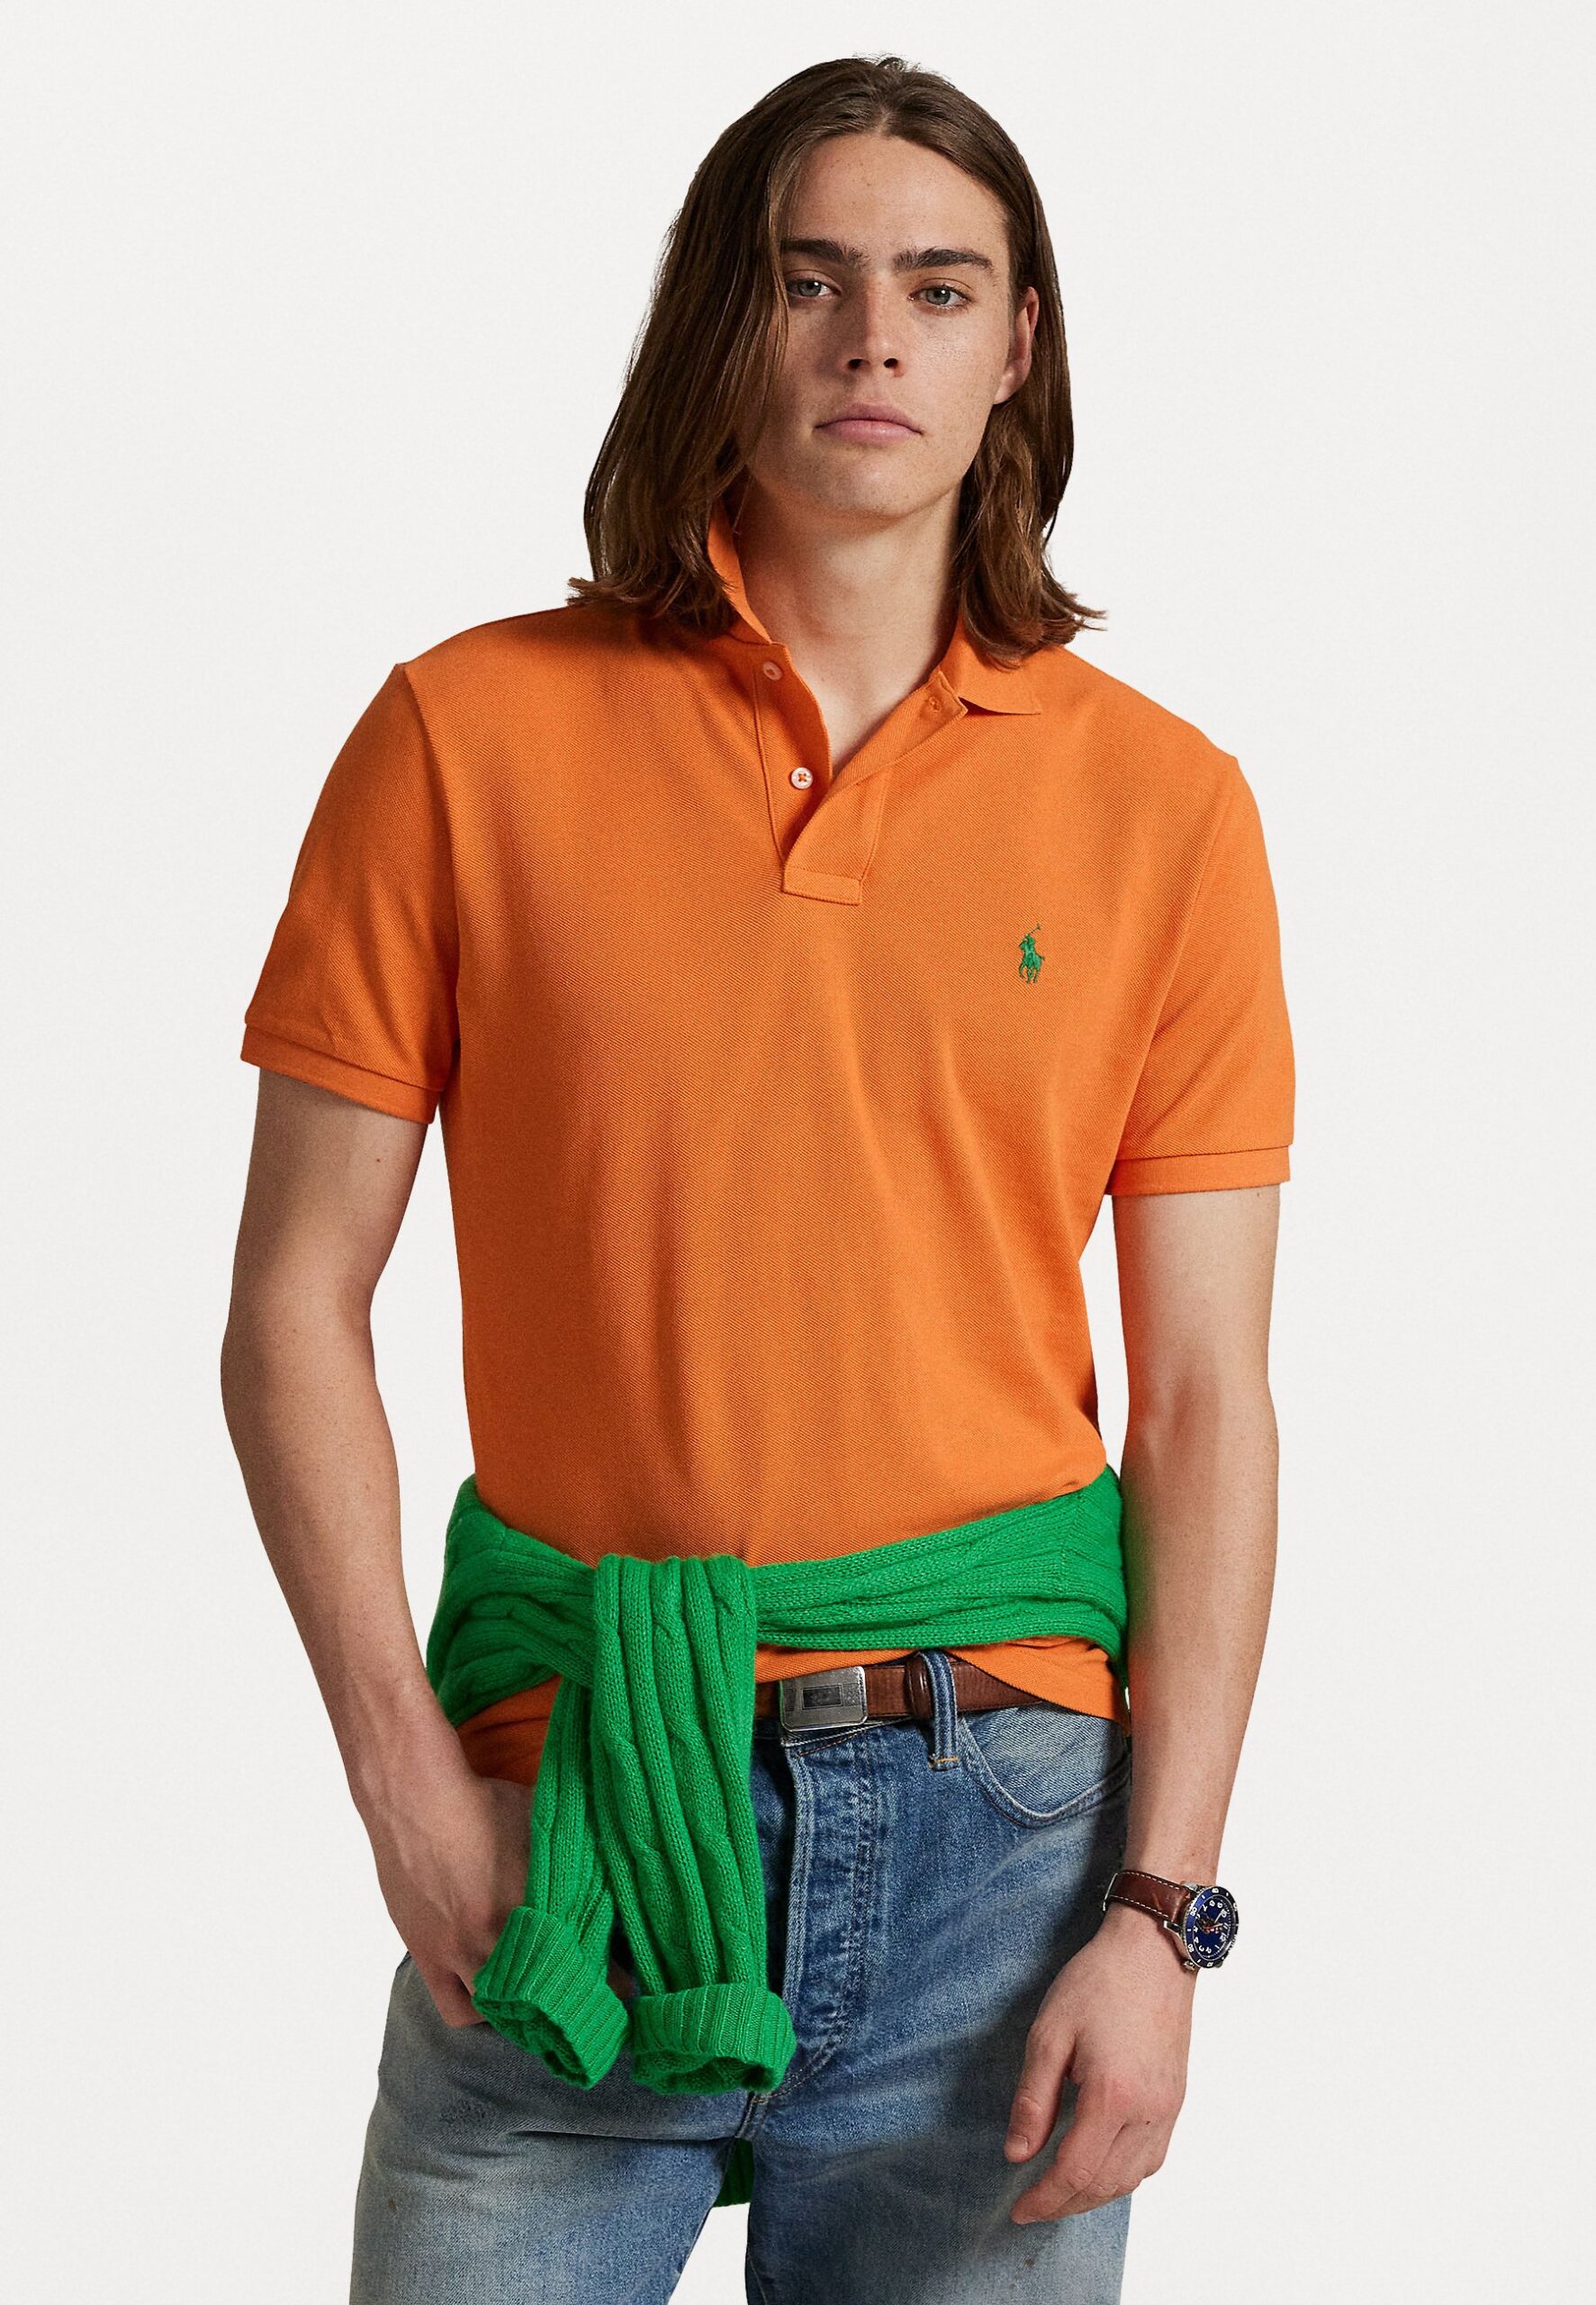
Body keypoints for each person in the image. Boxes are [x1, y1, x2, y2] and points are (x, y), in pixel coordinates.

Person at [221, 50, 1293, 2305]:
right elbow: (291, 1304)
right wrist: (405, 1787)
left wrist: (1159, 1910)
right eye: (808, 280)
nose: (870, 337)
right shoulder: (462, 736)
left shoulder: (1165, 810)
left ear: (1016, 346)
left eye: (936, 286)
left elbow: (1202, 1399)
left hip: (1003, 1837)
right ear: (724, 315)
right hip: (569, 1814)